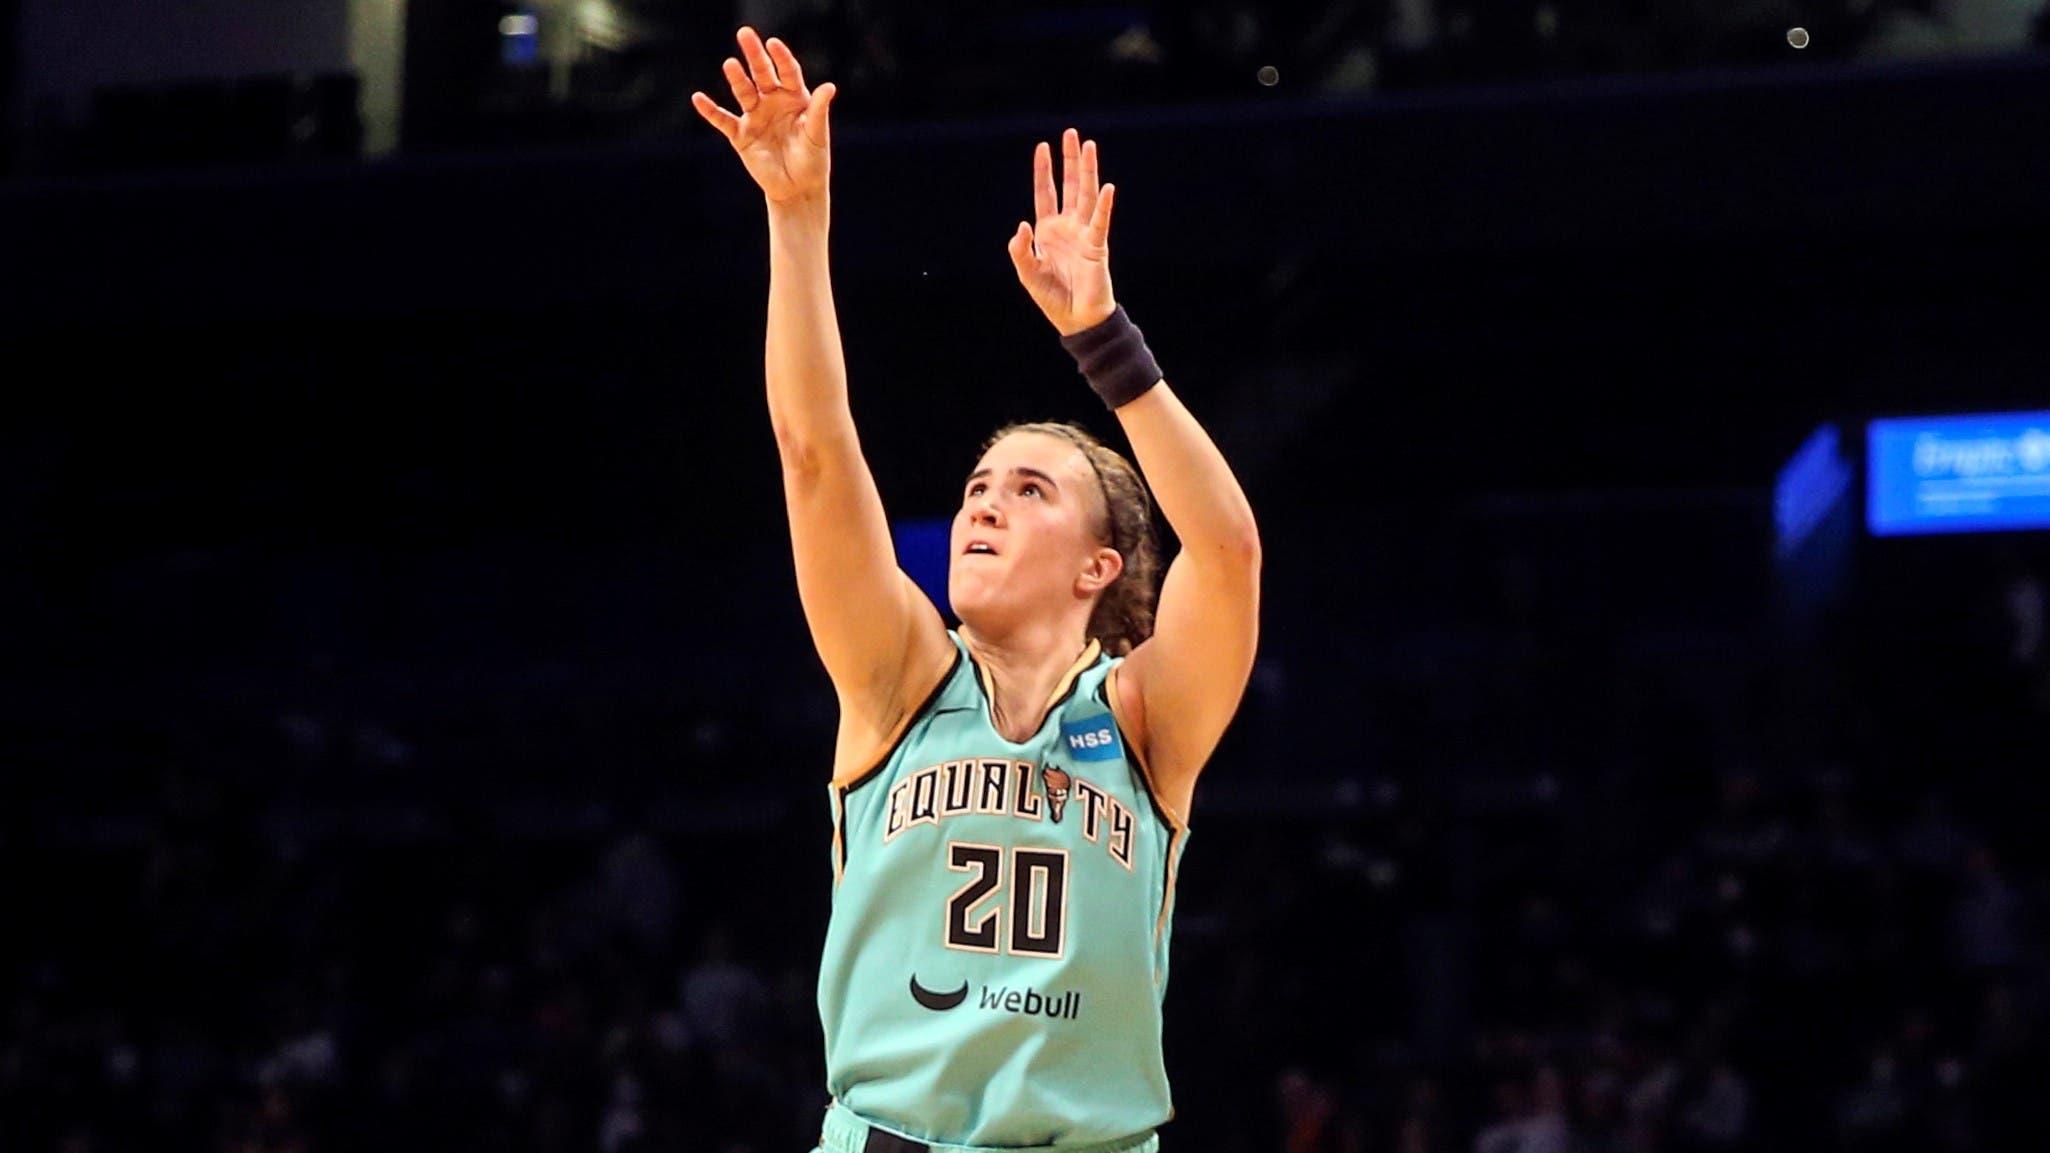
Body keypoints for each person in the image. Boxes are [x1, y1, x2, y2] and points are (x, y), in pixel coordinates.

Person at [691, 27, 1261, 1152]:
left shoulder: (1145, 717)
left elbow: (1228, 550)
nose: (984, 506)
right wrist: (795, 220)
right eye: (977, 486)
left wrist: (1100, 339)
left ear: (1101, 565)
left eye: (1030, 490)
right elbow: (812, 452)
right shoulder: (899, 676)